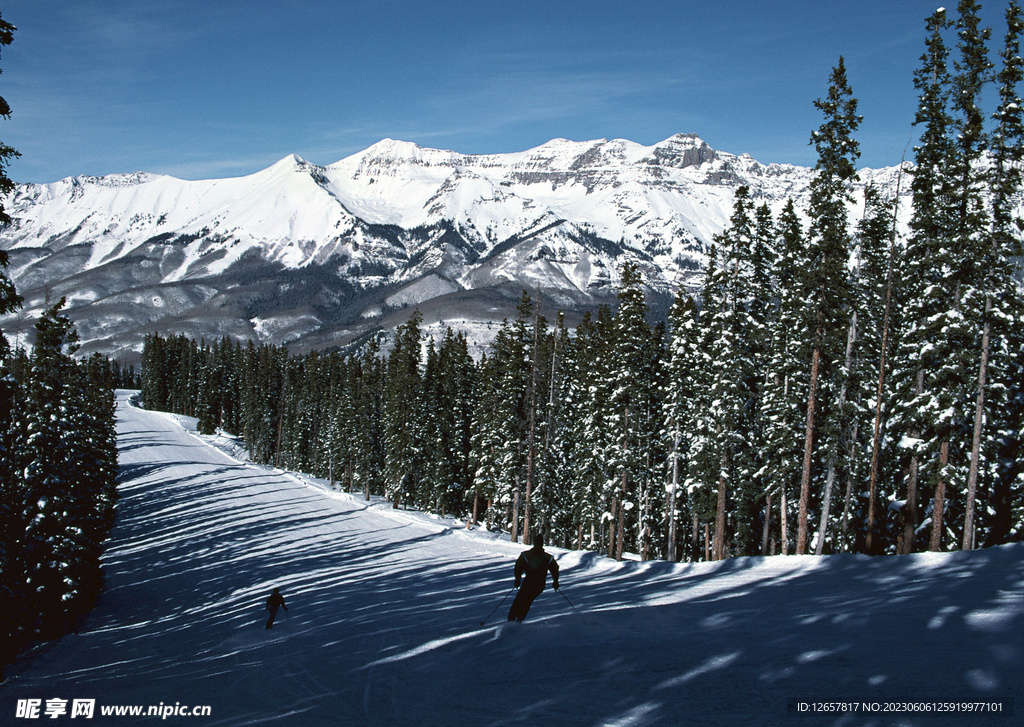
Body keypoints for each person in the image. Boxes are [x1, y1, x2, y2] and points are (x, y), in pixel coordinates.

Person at [507, 534, 559, 622]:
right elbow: (555, 570)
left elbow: (518, 567)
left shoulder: (526, 555)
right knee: (527, 601)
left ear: (534, 543)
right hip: (540, 584)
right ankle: (518, 620)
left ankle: (511, 621)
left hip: (528, 582)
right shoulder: (548, 557)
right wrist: (555, 582)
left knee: (519, 600)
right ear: (542, 544)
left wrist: (517, 579)